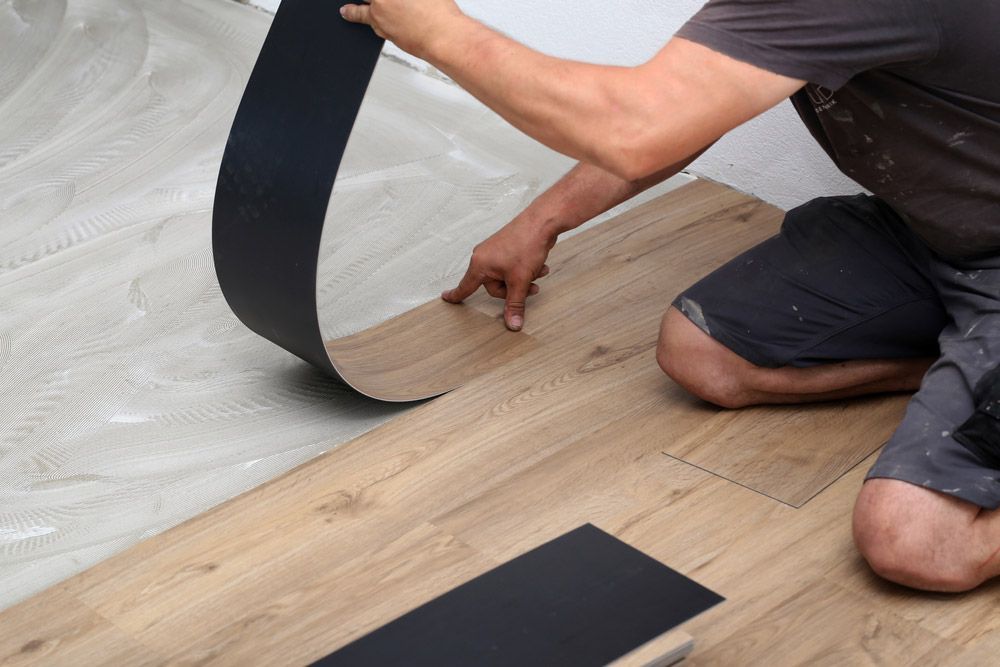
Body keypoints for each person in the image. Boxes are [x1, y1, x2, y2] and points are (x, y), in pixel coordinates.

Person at [340, 0, 1000, 592]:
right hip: (937, 234)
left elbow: (640, 125)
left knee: (914, 539)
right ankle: (958, 361)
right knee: (701, 354)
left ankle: (974, 370)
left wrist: (437, 32)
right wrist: (544, 219)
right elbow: (700, 103)